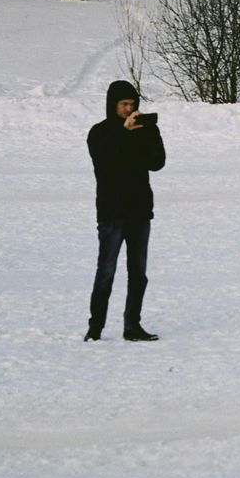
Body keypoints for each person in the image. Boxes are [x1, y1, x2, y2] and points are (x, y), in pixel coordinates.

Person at [86, 79, 166, 341]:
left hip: (140, 211)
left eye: (132, 104)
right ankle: (95, 328)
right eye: (124, 104)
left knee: (138, 274)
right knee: (106, 272)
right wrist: (124, 131)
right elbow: (104, 157)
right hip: (112, 213)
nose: (129, 108)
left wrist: (147, 134)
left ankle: (132, 325)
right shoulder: (99, 132)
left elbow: (157, 163)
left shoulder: (143, 130)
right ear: (113, 105)